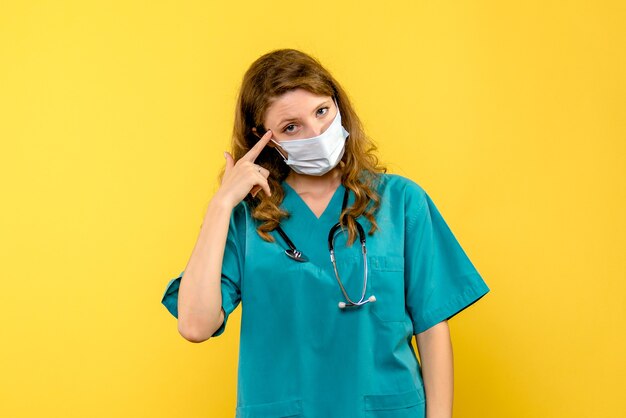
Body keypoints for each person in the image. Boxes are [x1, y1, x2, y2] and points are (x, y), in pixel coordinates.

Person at [161, 48, 490, 418]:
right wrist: (220, 206)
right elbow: (195, 324)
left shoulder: (401, 201)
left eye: (321, 111)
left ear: (337, 105)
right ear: (263, 138)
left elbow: (432, 327)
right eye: (290, 127)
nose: (316, 132)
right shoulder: (246, 219)